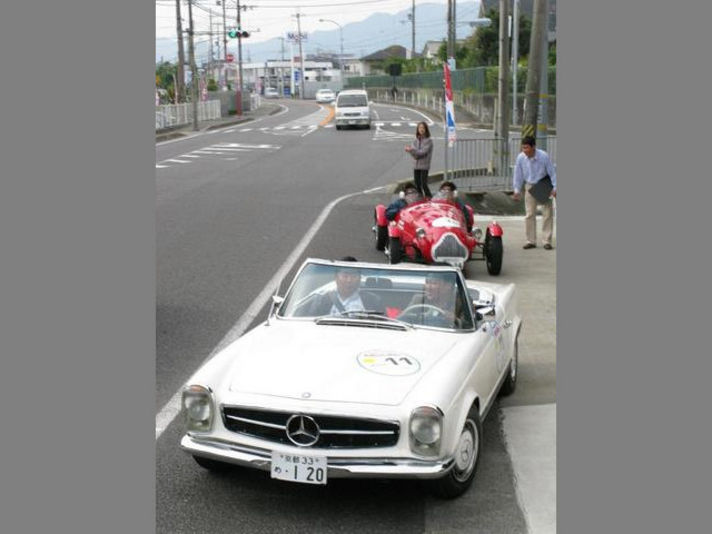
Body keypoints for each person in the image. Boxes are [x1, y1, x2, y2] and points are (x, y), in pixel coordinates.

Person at [512, 136, 557, 250]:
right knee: (529, 214)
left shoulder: (543, 156)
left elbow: (552, 172)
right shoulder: (521, 158)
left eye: (526, 148)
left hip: (544, 184)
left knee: (547, 213)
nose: (524, 150)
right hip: (530, 185)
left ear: (533, 147)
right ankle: (530, 241)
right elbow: (518, 175)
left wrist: (555, 187)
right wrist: (517, 190)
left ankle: (547, 241)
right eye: (523, 148)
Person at [302, 257, 383, 316]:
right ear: (336, 277)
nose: (349, 280)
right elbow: (311, 324)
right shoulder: (322, 299)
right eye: (345, 276)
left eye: (354, 276)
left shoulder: (373, 300)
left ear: (360, 278)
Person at [401, 271, 467, 328]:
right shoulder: (419, 299)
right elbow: (402, 319)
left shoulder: (461, 302)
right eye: (427, 282)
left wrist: (454, 319)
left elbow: (467, 326)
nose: (428, 287)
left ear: (448, 286)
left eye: (434, 283)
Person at [405, 122, 433, 198]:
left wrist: (411, 150)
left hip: (424, 165)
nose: (421, 129)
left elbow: (423, 152)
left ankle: (429, 197)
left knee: (424, 184)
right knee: (417, 184)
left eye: (423, 128)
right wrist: (411, 151)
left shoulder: (429, 141)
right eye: (420, 128)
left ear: (426, 129)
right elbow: (414, 152)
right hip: (416, 165)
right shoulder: (415, 140)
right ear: (417, 129)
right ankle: (420, 199)